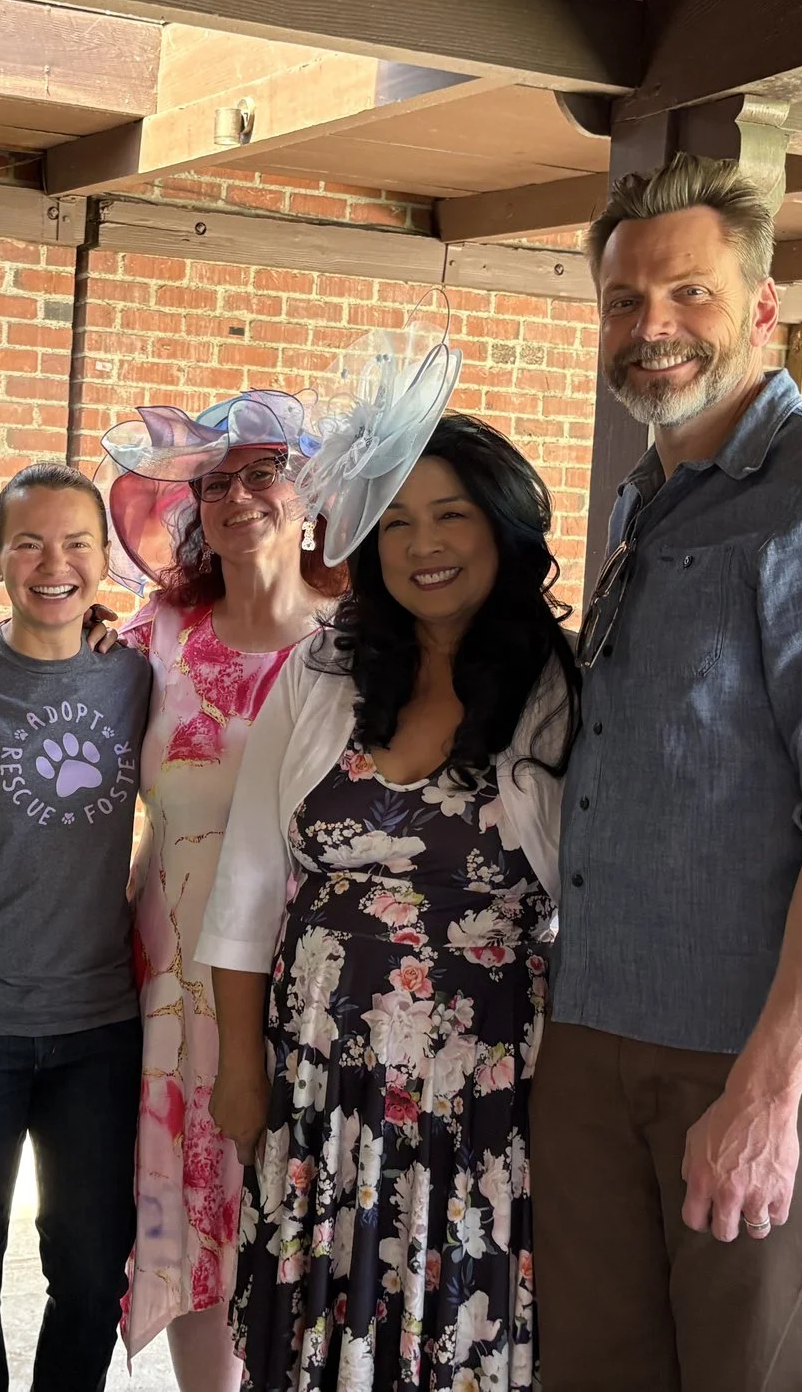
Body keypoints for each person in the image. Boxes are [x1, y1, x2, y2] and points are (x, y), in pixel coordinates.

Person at [533, 153, 802, 1391]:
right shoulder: (650, 498)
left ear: (761, 306)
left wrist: (767, 1092)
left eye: (690, 294)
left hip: (768, 1055)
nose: (651, 326)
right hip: (603, 1027)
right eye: (623, 301)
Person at [200, 412, 571, 1392]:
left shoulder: (561, 685)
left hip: (487, 1082)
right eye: (396, 521)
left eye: (451, 515)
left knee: (457, 1313)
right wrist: (239, 1066)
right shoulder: (322, 669)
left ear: (503, 527)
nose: (422, 545)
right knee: (318, 1320)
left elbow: (594, 899)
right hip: (319, 1070)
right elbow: (247, 881)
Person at [104, 391, 347, 1387]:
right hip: (170, 976)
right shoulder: (157, 634)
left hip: (309, 982)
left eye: (265, 472)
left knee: (288, 1213)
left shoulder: (357, 645)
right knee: (188, 1214)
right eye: (216, 481)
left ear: (311, 493)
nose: (240, 495)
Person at [0, 463, 153, 1391]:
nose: (53, 565)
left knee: (92, 1271)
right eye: (28, 543)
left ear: (105, 559)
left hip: (98, 1022)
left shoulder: (138, 676)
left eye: (75, 544)